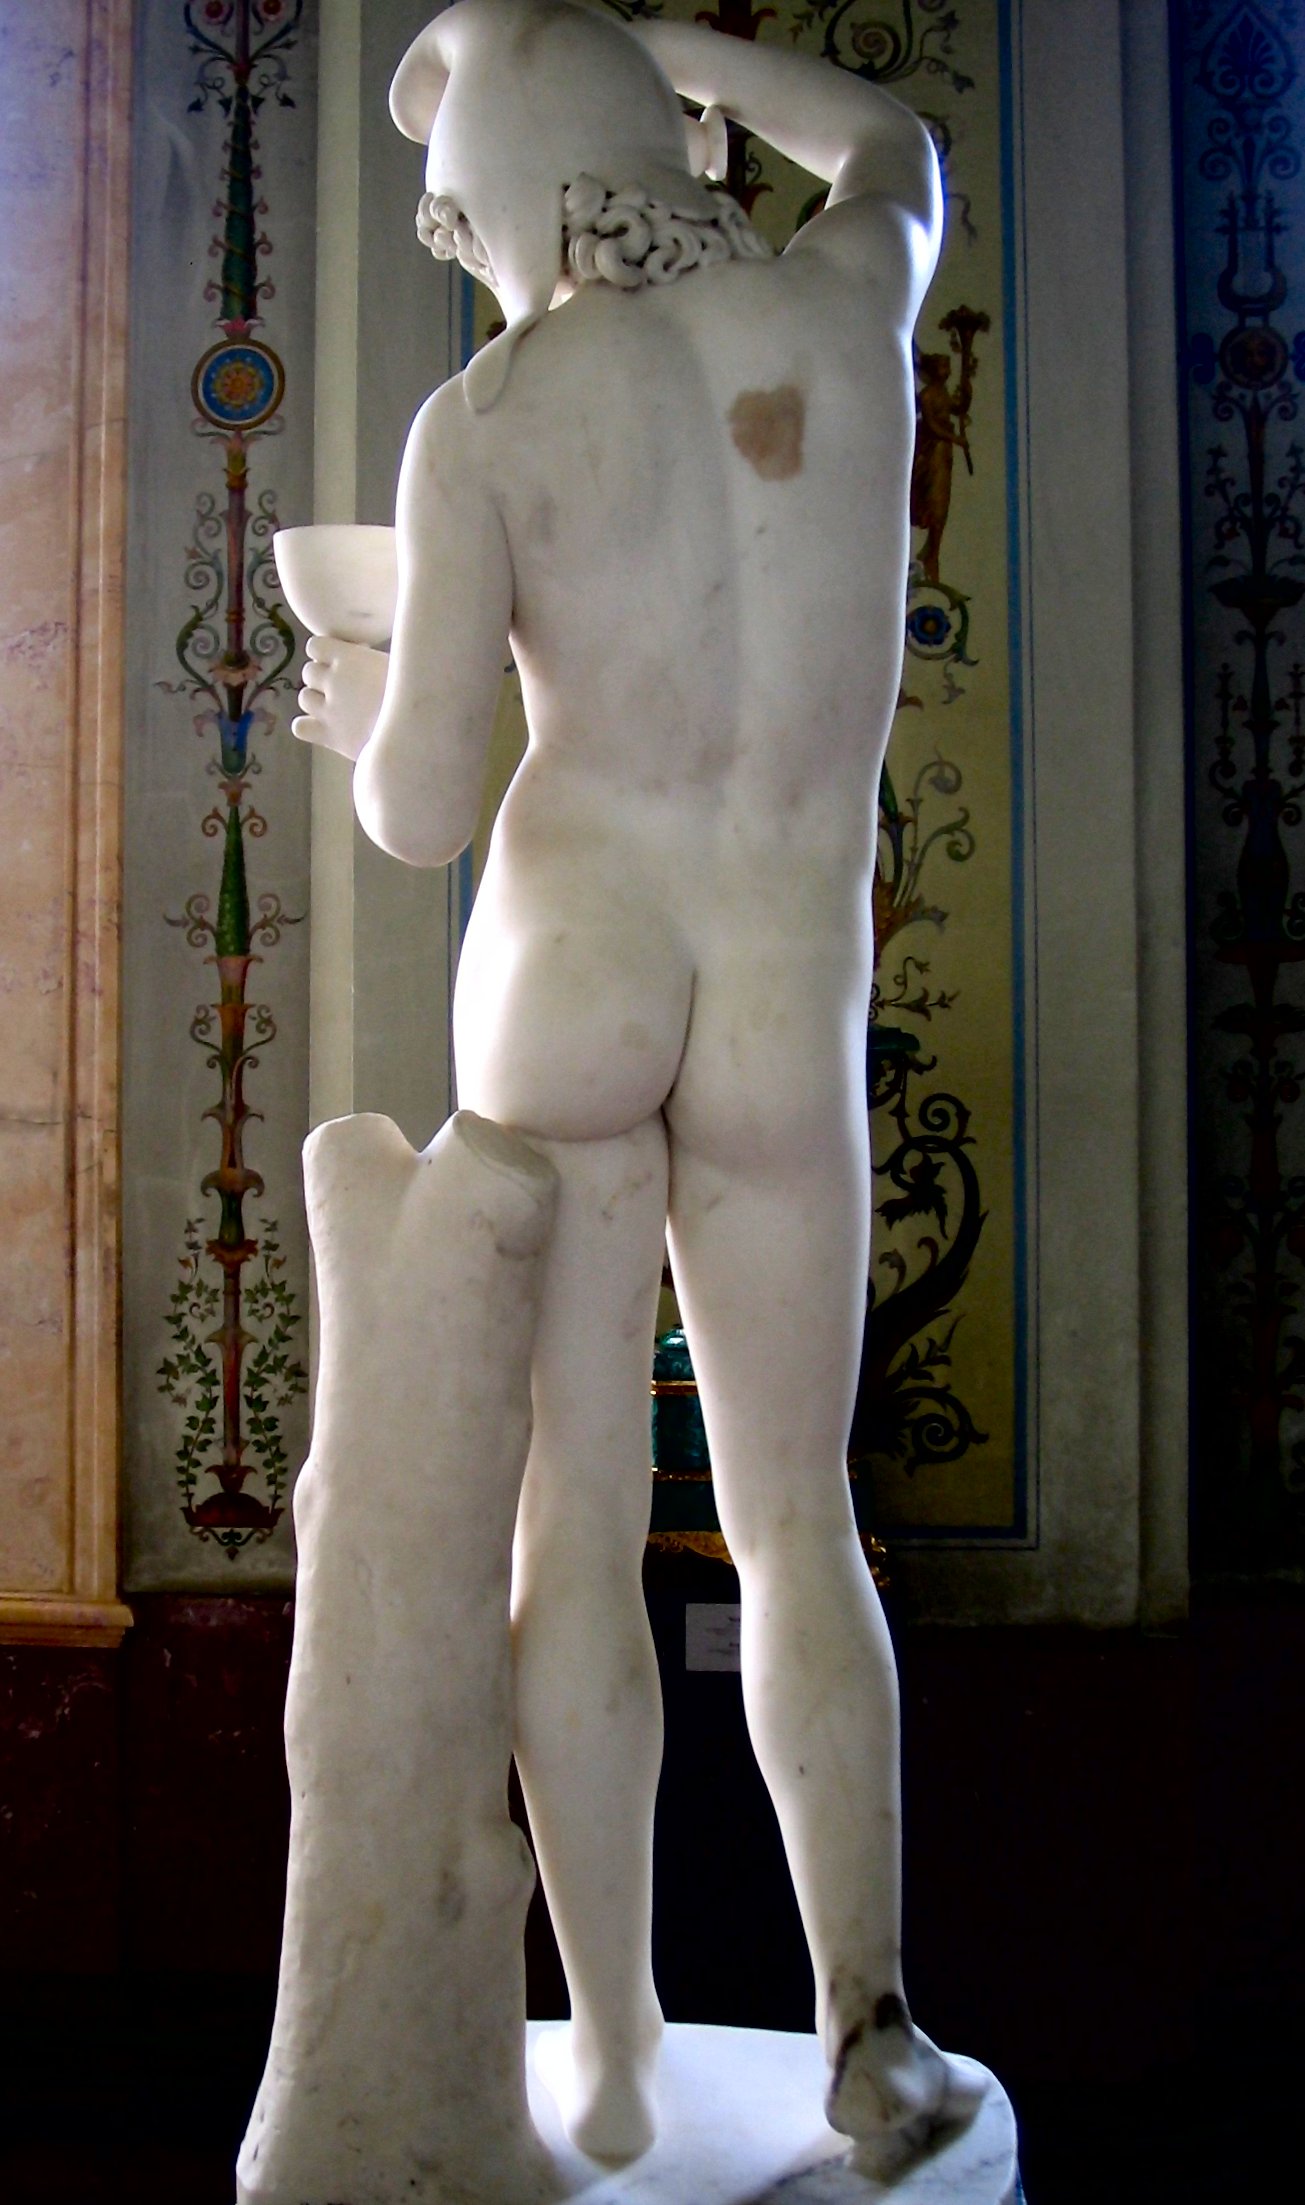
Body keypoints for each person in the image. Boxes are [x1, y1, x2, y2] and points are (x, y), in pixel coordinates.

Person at [294, 0, 983, 2171]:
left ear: (505, 198)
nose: (463, 253)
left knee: (571, 1535)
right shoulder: (846, 307)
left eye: (458, 215)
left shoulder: (489, 417)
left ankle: (605, 2046)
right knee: (796, 1529)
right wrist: (678, 48)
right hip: (781, 981)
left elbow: (424, 809)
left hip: (563, 970)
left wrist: (362, 706)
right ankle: (868, 2031)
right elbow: (887, 145)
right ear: (661, 137)